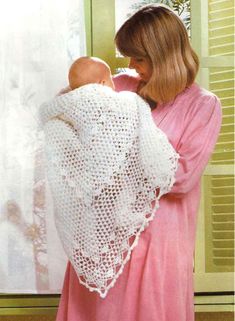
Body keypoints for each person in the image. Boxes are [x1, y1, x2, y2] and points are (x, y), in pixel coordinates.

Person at [55, 5, 222, 320]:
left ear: (165, 56)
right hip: (105, 237)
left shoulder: (203, 106)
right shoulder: (121, 85)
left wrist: (115, 156)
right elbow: (70, 109)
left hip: (160, 244)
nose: (131, 65)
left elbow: (182, 177)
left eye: (139, 58)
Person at [40, 54, 179, 299]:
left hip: (91, 177)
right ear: (104, 83)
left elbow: (56, 128)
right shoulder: (126, 101)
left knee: (99, 196)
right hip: (114, 177)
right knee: (118, 192)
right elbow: (141, 129)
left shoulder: (64, 106)